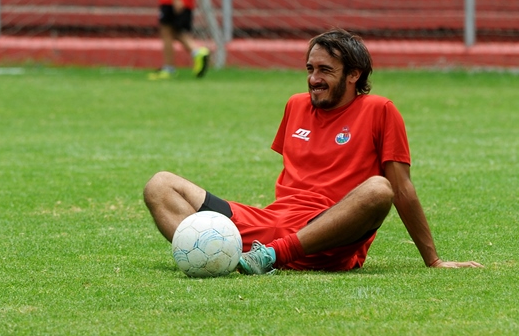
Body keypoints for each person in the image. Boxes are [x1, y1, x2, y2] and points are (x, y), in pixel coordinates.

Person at [143, 29, 483, 273]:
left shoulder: (380, 110)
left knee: (381, 188)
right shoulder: (295, 105)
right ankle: (220, 259)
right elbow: (296, 182)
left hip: (325, 237)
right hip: (271, 223)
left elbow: (403, 190)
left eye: (325, 71)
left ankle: (270, 257)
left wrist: (433, 260)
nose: (313, 79)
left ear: (354, 74)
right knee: (160, 184)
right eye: (310, 69)